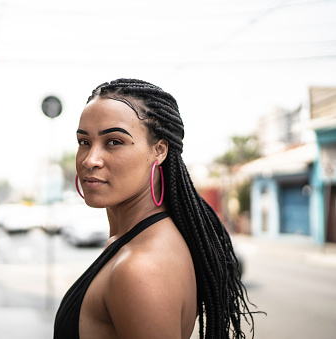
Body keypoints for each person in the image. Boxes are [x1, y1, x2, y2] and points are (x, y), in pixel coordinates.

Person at [54, 79, 256, 339]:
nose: (90, 160)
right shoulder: (138, 239)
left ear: (159, 150)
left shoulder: (140, 268)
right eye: (84, 142)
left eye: (114, 142)